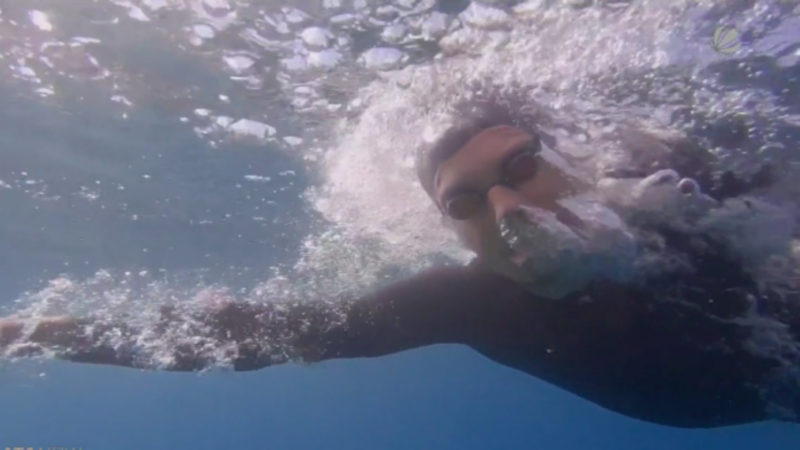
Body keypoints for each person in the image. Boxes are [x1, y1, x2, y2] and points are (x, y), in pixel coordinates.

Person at [1, 97, 798, 428]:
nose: (508, 210)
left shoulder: (701, 206)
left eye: (522, 168)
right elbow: (251, 336)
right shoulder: (470, 302)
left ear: (580, 160)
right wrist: (33, 331)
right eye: (464, 203)